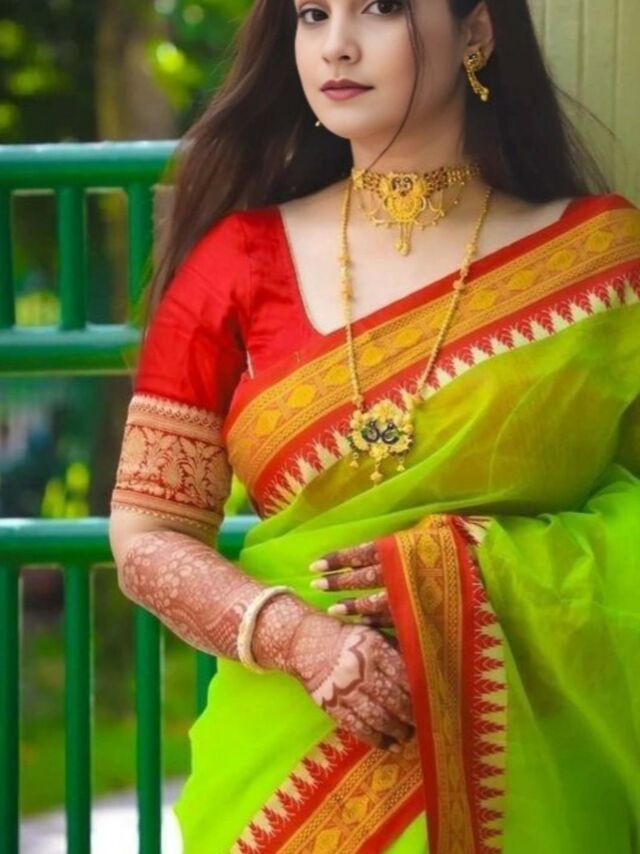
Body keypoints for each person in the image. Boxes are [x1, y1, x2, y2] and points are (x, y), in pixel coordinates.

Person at [108, 0, 640, 849]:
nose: (337, 46)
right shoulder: (234, 263)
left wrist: (472, 572)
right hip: (291, 762)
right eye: (313, 14)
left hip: (542, 769)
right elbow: (147, 536)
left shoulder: (602, 264)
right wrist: (303, 641)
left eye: (381, 8)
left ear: (476, 32)